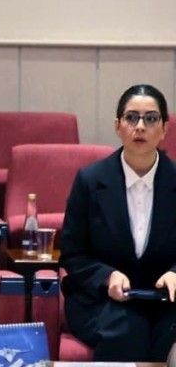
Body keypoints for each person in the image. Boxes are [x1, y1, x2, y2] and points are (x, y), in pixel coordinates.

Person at [62, 83, 176, 361]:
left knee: (169, 332)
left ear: (164, 129)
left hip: (166, 301)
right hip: (102, 301)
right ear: (117, 126)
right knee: (128, 331)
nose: (140, 127)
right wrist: (106, 276)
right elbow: (73, 254)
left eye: (151, 119)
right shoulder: (90, 181)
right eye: (131, 117)